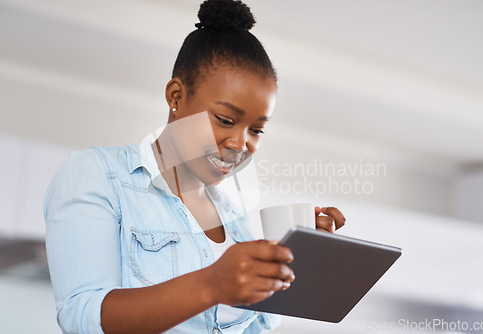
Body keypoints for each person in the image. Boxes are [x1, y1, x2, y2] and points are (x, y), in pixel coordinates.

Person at [43, 1, 346, 333]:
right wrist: (212, 283)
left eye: (256, 130)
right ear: (176, 97)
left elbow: (259, 327)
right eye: (225, 120)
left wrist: (293, 262)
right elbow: (80, 318)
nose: (239, 144)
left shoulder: (236, 219)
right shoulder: (98, 175)